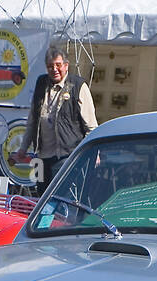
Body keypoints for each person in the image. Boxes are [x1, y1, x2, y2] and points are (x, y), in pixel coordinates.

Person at [12, 47, 97, 192]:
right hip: (41, 155)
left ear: (66, 65)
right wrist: (23, 148)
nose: (55, 69)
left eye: (58, 65)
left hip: (66, 155)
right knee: (41, 193)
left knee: (59, 195)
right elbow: (32, 120)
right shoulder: (41, 83)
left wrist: (91, 153)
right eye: (50, 66)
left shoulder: (78, 85)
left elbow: (91, 126)